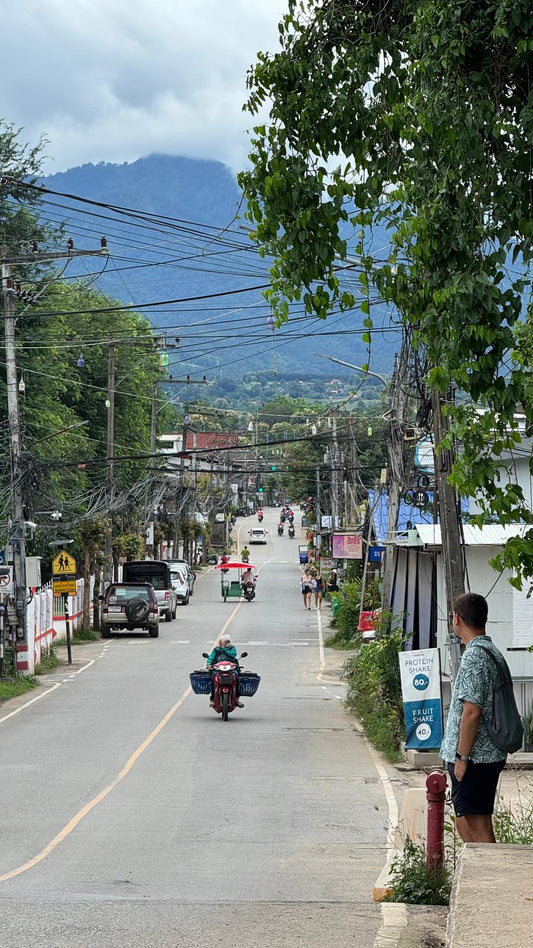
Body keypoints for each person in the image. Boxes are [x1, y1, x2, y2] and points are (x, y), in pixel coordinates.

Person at [440, 593, 507, 843]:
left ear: (457, 618)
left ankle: (490, 878)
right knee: (465, 821)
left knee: (477, 825)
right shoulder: (488, 651)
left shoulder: (475, 656)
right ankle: (481, 875)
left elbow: (471, 712)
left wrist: (461, 758)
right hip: (482, 755)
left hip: (477, 757)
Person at [205, 633, 243, 708]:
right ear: (221, 642)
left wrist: (225, 649)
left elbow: (233, 655)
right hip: (218, 669)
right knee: (213, 679)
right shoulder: (216, 649)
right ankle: (212, 698)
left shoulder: (232, 648)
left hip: (231, 669)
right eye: (225, 641)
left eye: (228, 641)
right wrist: (209, 664)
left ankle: (237, 698)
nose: (227, 643)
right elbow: (211, 658)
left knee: (237, 678)